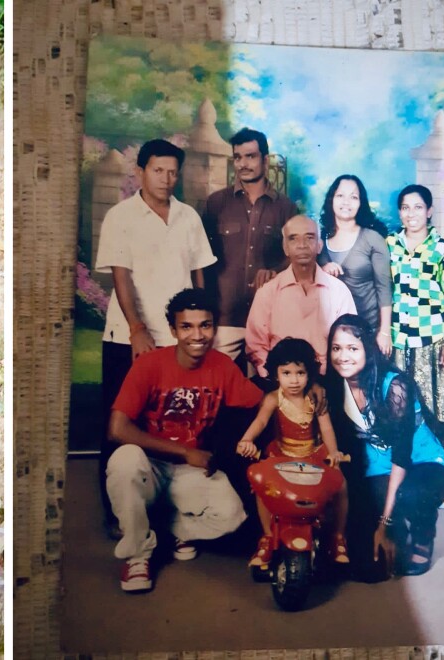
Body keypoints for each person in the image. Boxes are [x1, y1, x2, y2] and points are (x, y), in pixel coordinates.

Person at [95, 139, 216, 534]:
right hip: (127, 336)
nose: (166, 178)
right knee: (119, 420)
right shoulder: (120, 216)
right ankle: (117, 514)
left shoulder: (188, 217)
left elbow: (199, 275)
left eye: (172, 171)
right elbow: (120, 275)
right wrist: (137, 330)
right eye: (158, 170)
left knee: (172, 420)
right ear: (140, 172)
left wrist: (201, 326)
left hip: (176, 340)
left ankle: (169, 506)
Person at [106, 288, 262, 593]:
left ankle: (170, 526)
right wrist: (186, 451)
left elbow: (263, 399)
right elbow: (118, 429)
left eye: (205, 325)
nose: (197, 335)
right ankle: (139, 554)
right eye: (187, 326)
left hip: (187, 474)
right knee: (124, 460)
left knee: (232, 516)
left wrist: (306, 390)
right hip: (148, 467)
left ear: (214, 328)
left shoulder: (221, 366)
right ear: (173, 330)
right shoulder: (150, 365)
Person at [326, 314, 444, 580]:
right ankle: (393, 530)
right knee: (371, 569)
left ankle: (423, 533)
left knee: (413, 494)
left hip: (418, 457)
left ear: (368, 349)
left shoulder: (394, 385)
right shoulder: (334, 385)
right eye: (336, 348)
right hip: (376, 462)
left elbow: (402, 453)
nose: (343, 356)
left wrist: (384, 523)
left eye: (352, 348)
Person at [236, 338, 348, 569]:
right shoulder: (272, 399)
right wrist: (247, 439)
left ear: (309, 374)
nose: (294, 380)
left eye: (300, 373)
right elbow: (260, 422)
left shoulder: (314, 399)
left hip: (314, 453)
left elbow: (326, 428)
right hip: (283, 454)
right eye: (286, 373)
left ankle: (337, 536)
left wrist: (334, 452)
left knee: (341, 484)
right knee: (264, 490)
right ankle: (267, 536)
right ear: (276, 374)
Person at [202, 127, 298, 366]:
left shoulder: (285, 208)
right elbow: (200, 259)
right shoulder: (216, 204)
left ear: (265, 160)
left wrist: (275, 273)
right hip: (224, 319)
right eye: (237, 157)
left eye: (250, 156)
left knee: (263, 394)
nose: (243, 163)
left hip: (268, 320)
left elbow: (296, 258)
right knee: (219, 393)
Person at [246, 215, 357, 379]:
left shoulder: (338, 291)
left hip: (328, 380)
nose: (302, 245)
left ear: (319, 246)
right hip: (280, 381)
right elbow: (255, 345)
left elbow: (349, 341)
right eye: (293, 239)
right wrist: (276, 379)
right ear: (285, 248)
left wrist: (324, 379)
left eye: (309, 238)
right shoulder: (268, 292)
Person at [387, 184, 444, 439]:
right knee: (400, 408)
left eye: (418, 207)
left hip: (432, 339)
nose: (411, 214)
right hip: (397, 339)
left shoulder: (441, 248)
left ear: (429, 211)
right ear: (399, 213)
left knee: (434, 408)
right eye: (405, 208)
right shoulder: (389, 245)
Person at [317, 174, 392, 356]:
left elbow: (384, 288)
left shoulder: (372, 239)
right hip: (330, 334)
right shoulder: (319, 241)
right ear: (332, 200)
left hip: (367, 332)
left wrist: (384, 332)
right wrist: (322, 270)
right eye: (341, 195)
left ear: (361, 203)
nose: (346, 202)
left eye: (354, 197)